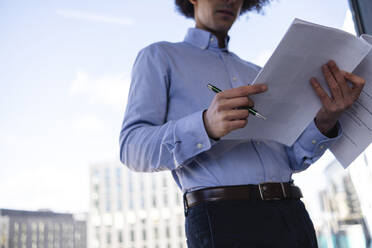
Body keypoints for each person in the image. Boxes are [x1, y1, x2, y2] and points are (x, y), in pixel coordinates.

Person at [119, 0, 366, 247]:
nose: (230, 1)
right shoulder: (160, 57)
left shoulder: (259, 73)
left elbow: (291, 157)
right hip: (223, 221)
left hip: (293, 215)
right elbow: (131, 148)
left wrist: (325, 119)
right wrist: (205, 125)